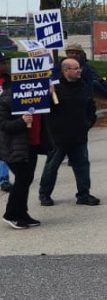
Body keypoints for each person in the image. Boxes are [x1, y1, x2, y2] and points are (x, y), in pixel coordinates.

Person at [38, 56, 100, 207]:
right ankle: (44, 193)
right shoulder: (55, 89)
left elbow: (90, 106)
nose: (79, 71)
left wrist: (89, 122)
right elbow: (43, 110)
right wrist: (47, 95)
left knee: (82, 165)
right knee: (52, 167)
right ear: (66, 71)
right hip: (58, 137)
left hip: (79, 135)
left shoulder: (83, 86)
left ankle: (83, 194)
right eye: (76, 68)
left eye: (79, 68)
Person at [0, 67, 48, 228]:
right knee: (22, 179)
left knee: (26, 179)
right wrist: (21, 121)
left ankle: (22, 213)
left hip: (32, 144)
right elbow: (3, 124)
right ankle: (11, 214)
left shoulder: (39, 96)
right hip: (14, 147)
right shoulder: (7, 98)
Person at [0, 55, 11, 193]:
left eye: (5, 62)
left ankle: (4, 179)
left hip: (5, 119)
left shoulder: (9, 81)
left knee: (3, 151)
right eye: (2, 63)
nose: (5, 65)